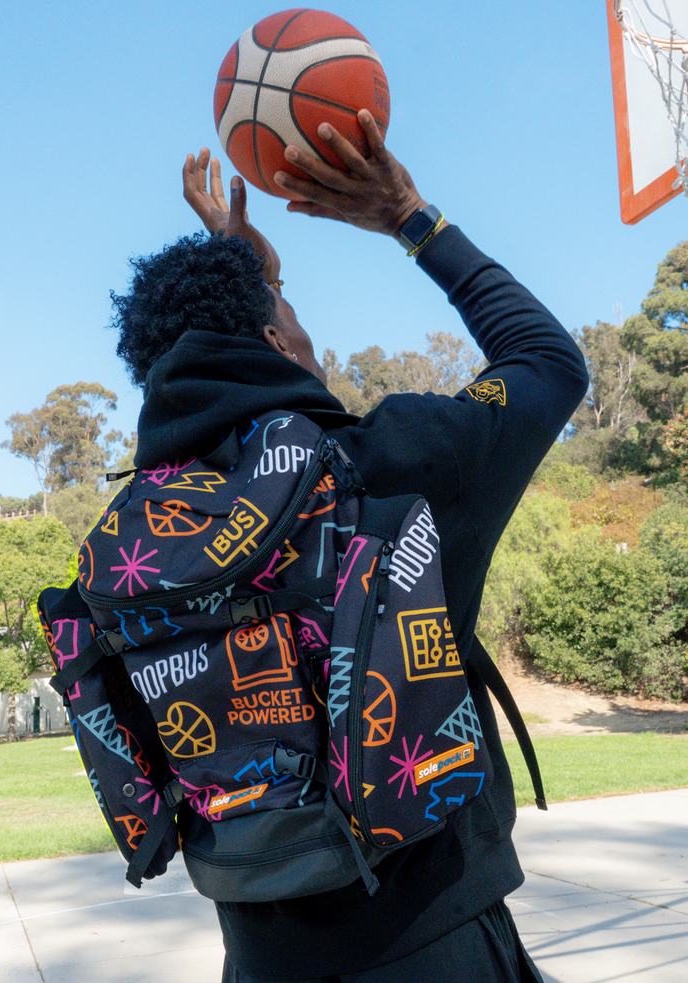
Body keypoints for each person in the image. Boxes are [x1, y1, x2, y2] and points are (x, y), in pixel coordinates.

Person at [110, 110, 588, 982]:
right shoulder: (392, 463)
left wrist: (247, 280)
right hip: (433, 943)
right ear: (273, 343)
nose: (307, 335)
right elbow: (546, 361)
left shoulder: (131, 547)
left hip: (258, 956)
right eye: (290, 315)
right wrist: (409, 215)